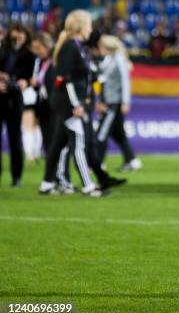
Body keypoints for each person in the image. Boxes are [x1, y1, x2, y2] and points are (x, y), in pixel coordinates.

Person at [38, 10, 122, 196]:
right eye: (89, 25)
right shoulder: (71, 47)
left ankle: (46, 184)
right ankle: (88, 186)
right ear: (81, 26)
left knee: (58, 143)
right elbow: (64, 79)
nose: (91, 29)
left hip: (68, 101)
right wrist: (76, 104)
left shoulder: (78, 47)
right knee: (78, 143)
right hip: (67, 103)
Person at [95, 35, 141, 171]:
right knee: (118, 134)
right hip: (107, 101)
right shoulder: (108, 60)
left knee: (102, 133)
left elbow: (125, 81)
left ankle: (98, 163)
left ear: (107, 47)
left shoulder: (119, 60)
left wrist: (125, 102)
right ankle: (131, 160)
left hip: (114, 103)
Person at [0, 23, 34, 187]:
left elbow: (30, 77)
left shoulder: (29, 54)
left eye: (22, 33)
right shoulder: (2, 49)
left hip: (14, 100)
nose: (18, 36)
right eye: (16, 32)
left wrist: (24, 82)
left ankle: (16, 177)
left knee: (15, 140)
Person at [30, 33, 56, 155]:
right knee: (46, 138)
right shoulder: (39, 63)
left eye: (39, 48)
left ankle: (60, 171)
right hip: (43, 105)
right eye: (34, 49)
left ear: (48, 45)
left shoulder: (56, 61)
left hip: (55, 105)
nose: (37, 52)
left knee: (55, 140)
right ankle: (50, 169)